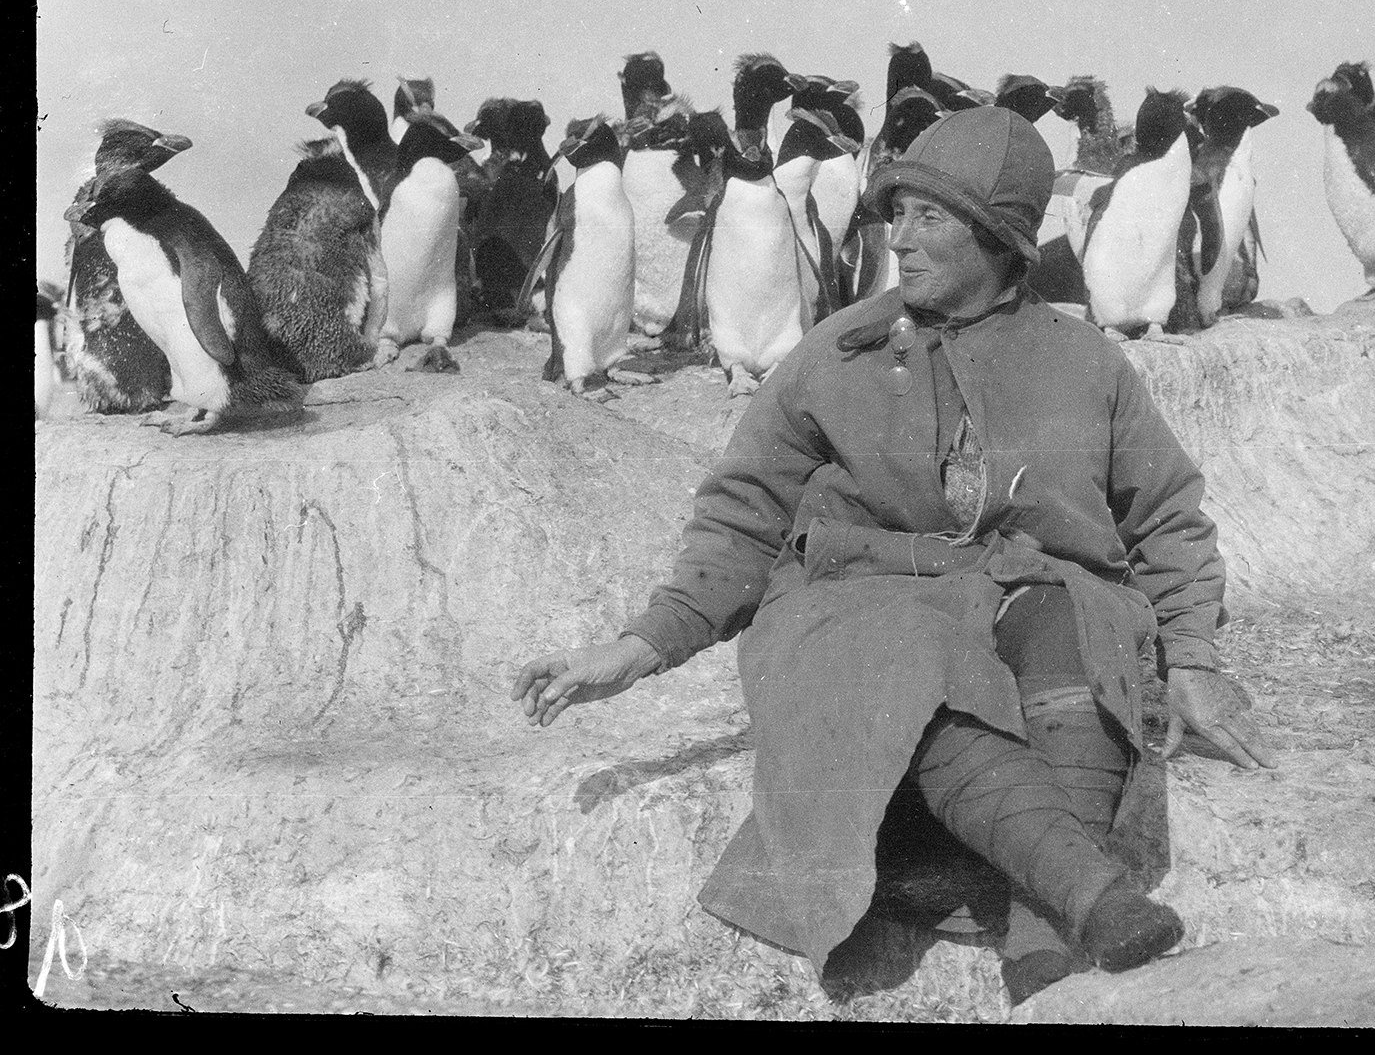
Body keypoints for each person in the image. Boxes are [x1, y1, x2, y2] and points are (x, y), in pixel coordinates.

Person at [513, 104, 1275, 1005]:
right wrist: (644, 645)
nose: (898, 240)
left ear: (998, 239)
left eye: (927, 218)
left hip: (1028, 589)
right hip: (858, 600)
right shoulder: (835, 352)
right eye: (893, 215)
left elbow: (1166, 519)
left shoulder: (1085, 362)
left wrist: (1188, 659)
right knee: (908, 667)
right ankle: (1086, 895)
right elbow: (742, 514)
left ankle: (1040, 949)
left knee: (1080, 632)